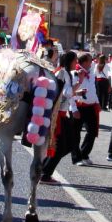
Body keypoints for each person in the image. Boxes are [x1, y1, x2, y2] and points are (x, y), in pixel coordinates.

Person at [41, 51, 79, 183]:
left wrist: (76, 91)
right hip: (58, 115)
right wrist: (80, 82)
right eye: (75, 60)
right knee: (61, 146)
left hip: (63, 114)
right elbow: (65, 93)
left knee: (70, 144)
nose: (77, 63)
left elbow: (66, 93)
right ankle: (45, 173)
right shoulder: (62, 73)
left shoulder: (66, 73)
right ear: (69, 61)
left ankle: (44, 165)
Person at [72, 52, 100, 165]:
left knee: (92, 132)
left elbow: (93, 89)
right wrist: (74, 109)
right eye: (90, 60)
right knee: (75, 134)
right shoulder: (74, 73)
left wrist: (97, 102)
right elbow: (71, 92)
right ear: (84, 62)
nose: (92, 62)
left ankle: (84, 154)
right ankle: (76, 158)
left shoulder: (91, 73)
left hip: (91, 106)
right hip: (79, 106)